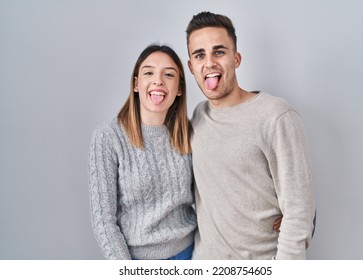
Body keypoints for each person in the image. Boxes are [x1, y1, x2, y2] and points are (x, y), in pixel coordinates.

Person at [186, 11, 316, 259]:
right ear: (192, 67)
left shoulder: (276, 116)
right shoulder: (198, 117)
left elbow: (300, 212)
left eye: (219, 52)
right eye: (200, 55)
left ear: (236, 59)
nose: (209, 62)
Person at [88, 44, 197, 260]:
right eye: (149, 73)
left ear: (179, 88)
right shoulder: (108, 137)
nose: (158, 80)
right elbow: (103, 221)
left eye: (169, 74)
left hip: (190, 254)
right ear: (137, 84)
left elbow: (218, 191)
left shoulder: (189, 133)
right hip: (136, 260)